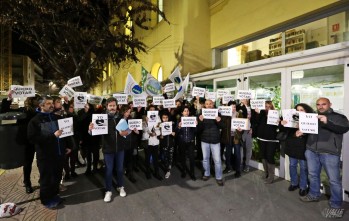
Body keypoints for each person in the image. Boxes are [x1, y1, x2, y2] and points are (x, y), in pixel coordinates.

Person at [300, 97, 349, 209]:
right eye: (318, 104)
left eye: (323, 104)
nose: (320, 106)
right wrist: (301, 131)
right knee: (312, 175)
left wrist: (327, 122)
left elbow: (344, 128)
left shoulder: (339, 117)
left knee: (334, 180)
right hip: (311, 151)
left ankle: (336, 203)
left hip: (329, 153)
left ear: (330, 104)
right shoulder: (312, 117)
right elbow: (310, 130)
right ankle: (314, 194)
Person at [27, 96, 72, 209]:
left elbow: (63, 133)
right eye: (48, 103)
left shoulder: (55, 117)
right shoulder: (35, 121)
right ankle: (46, 200)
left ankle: (54, 196)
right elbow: (32, 139)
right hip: (45, 156)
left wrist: (66, 146)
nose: (51, 105)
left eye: (52, 103)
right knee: (47, 179)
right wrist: (53, 136)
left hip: (59, 153)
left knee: (56, 177)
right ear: (41, 106)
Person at [89, 97, 128, 203]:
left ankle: (120, 186)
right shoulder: (101, 117)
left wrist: (125, 133)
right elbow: (93, 133)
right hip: (108, 150)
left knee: (120, 169)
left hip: (120, 149)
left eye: (114, 106)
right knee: (109, 171)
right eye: (110, 106)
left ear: (117, 106)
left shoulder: (121, 117)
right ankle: (108, 190)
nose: (112, 108)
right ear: (107, 106)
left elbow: (127, 131)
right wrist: (90, 129)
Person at [1, 91, 40, 194]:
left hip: (41, 140)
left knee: (41, 161)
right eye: (38, 100)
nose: (39, 102)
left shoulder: (42, 110)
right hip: (29, 141)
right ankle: (27, 183)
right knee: (28, 163)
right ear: (32, 101)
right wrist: (9, 98)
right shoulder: (24, 111)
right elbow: (5, 110)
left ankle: (42, 180)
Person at [280, 103, 314, 196]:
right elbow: (284, 132)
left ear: (306, 111)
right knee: (292, 165)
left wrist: (304, 133)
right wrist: (282, 124)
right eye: (297, 110)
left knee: (303, 167)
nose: (299, 112)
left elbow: (314, 133)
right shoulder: (291, 118)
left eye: (301, 110)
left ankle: (303, 187)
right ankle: (294, 183)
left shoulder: (311, 119)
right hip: (292, 146)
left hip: (304, 147)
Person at [198, 99, 225, 186]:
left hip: (215, 140)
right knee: (205, 159)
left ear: (213, 104)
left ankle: (219, 177)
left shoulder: (218, 114)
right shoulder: (201, 114)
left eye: (210, 104)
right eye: (207, 104)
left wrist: (219, 121)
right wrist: (200, 121)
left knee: (217, 160)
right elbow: (198, 129)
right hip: (204, 140)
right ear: (204, 105)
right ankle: (206, 174)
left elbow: (223, 126)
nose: (209, 105)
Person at [253, 101, 279, 184]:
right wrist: (257, 113)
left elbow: (277, 127)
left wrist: (279, 122)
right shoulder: (261, 114)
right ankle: (266, 173)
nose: (267, 108)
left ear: (272, 107)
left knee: (269, 156)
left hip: (272, 139)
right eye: (266, 106)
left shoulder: (276, 114)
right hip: (261, 138)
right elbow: (256, 122)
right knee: (263, 156)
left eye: (269, 106)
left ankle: (271, 176)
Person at [221, 101, 243, 178]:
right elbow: (222, 125)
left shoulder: (239, 114)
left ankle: (238, 170)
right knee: (228, 153)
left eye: (234, 107)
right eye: (232, 107)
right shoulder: (225, 115)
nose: (234, 108)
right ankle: (228, 167)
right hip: (228, 137)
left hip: (236, 137)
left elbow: (243, 124)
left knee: (237, 154)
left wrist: (241, 129)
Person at [176, 106, 197, 181]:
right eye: (185, 111)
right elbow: (176, 132)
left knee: (191, 158)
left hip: (190, 142)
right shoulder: (179, 120)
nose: (186, 112)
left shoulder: (192, 119)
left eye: (187, 111)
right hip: (182, 141)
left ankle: (192, 173)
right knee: (183, 157)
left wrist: (196, 125)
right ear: (182, 112)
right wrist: (178, 126)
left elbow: (195, 131)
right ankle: (184, 171)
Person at [159, 111, 176, 179]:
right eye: (163, 117)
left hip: (171, 144)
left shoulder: (172, 125)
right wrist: (160, 136)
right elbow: (158, 135)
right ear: (161, 118)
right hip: (164, 144)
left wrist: (173, 134)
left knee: (171, 157)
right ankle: (167, 170)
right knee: (165, 157)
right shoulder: (160, 125)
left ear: (168, 118)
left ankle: (169, 168)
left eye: (166, 117)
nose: (165, 119)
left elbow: (175, 134)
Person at [239, 99, 253, 172]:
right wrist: (243, 105)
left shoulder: (253, 108)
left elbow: (255, 119)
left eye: (246, 98)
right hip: (241, 130)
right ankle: (240, 164)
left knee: (248, 148)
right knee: (240, 148)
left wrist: (252, 128)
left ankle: (247, 165)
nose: (245, 99)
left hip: (248, 131)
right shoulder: (239, 107)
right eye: (243, 98)